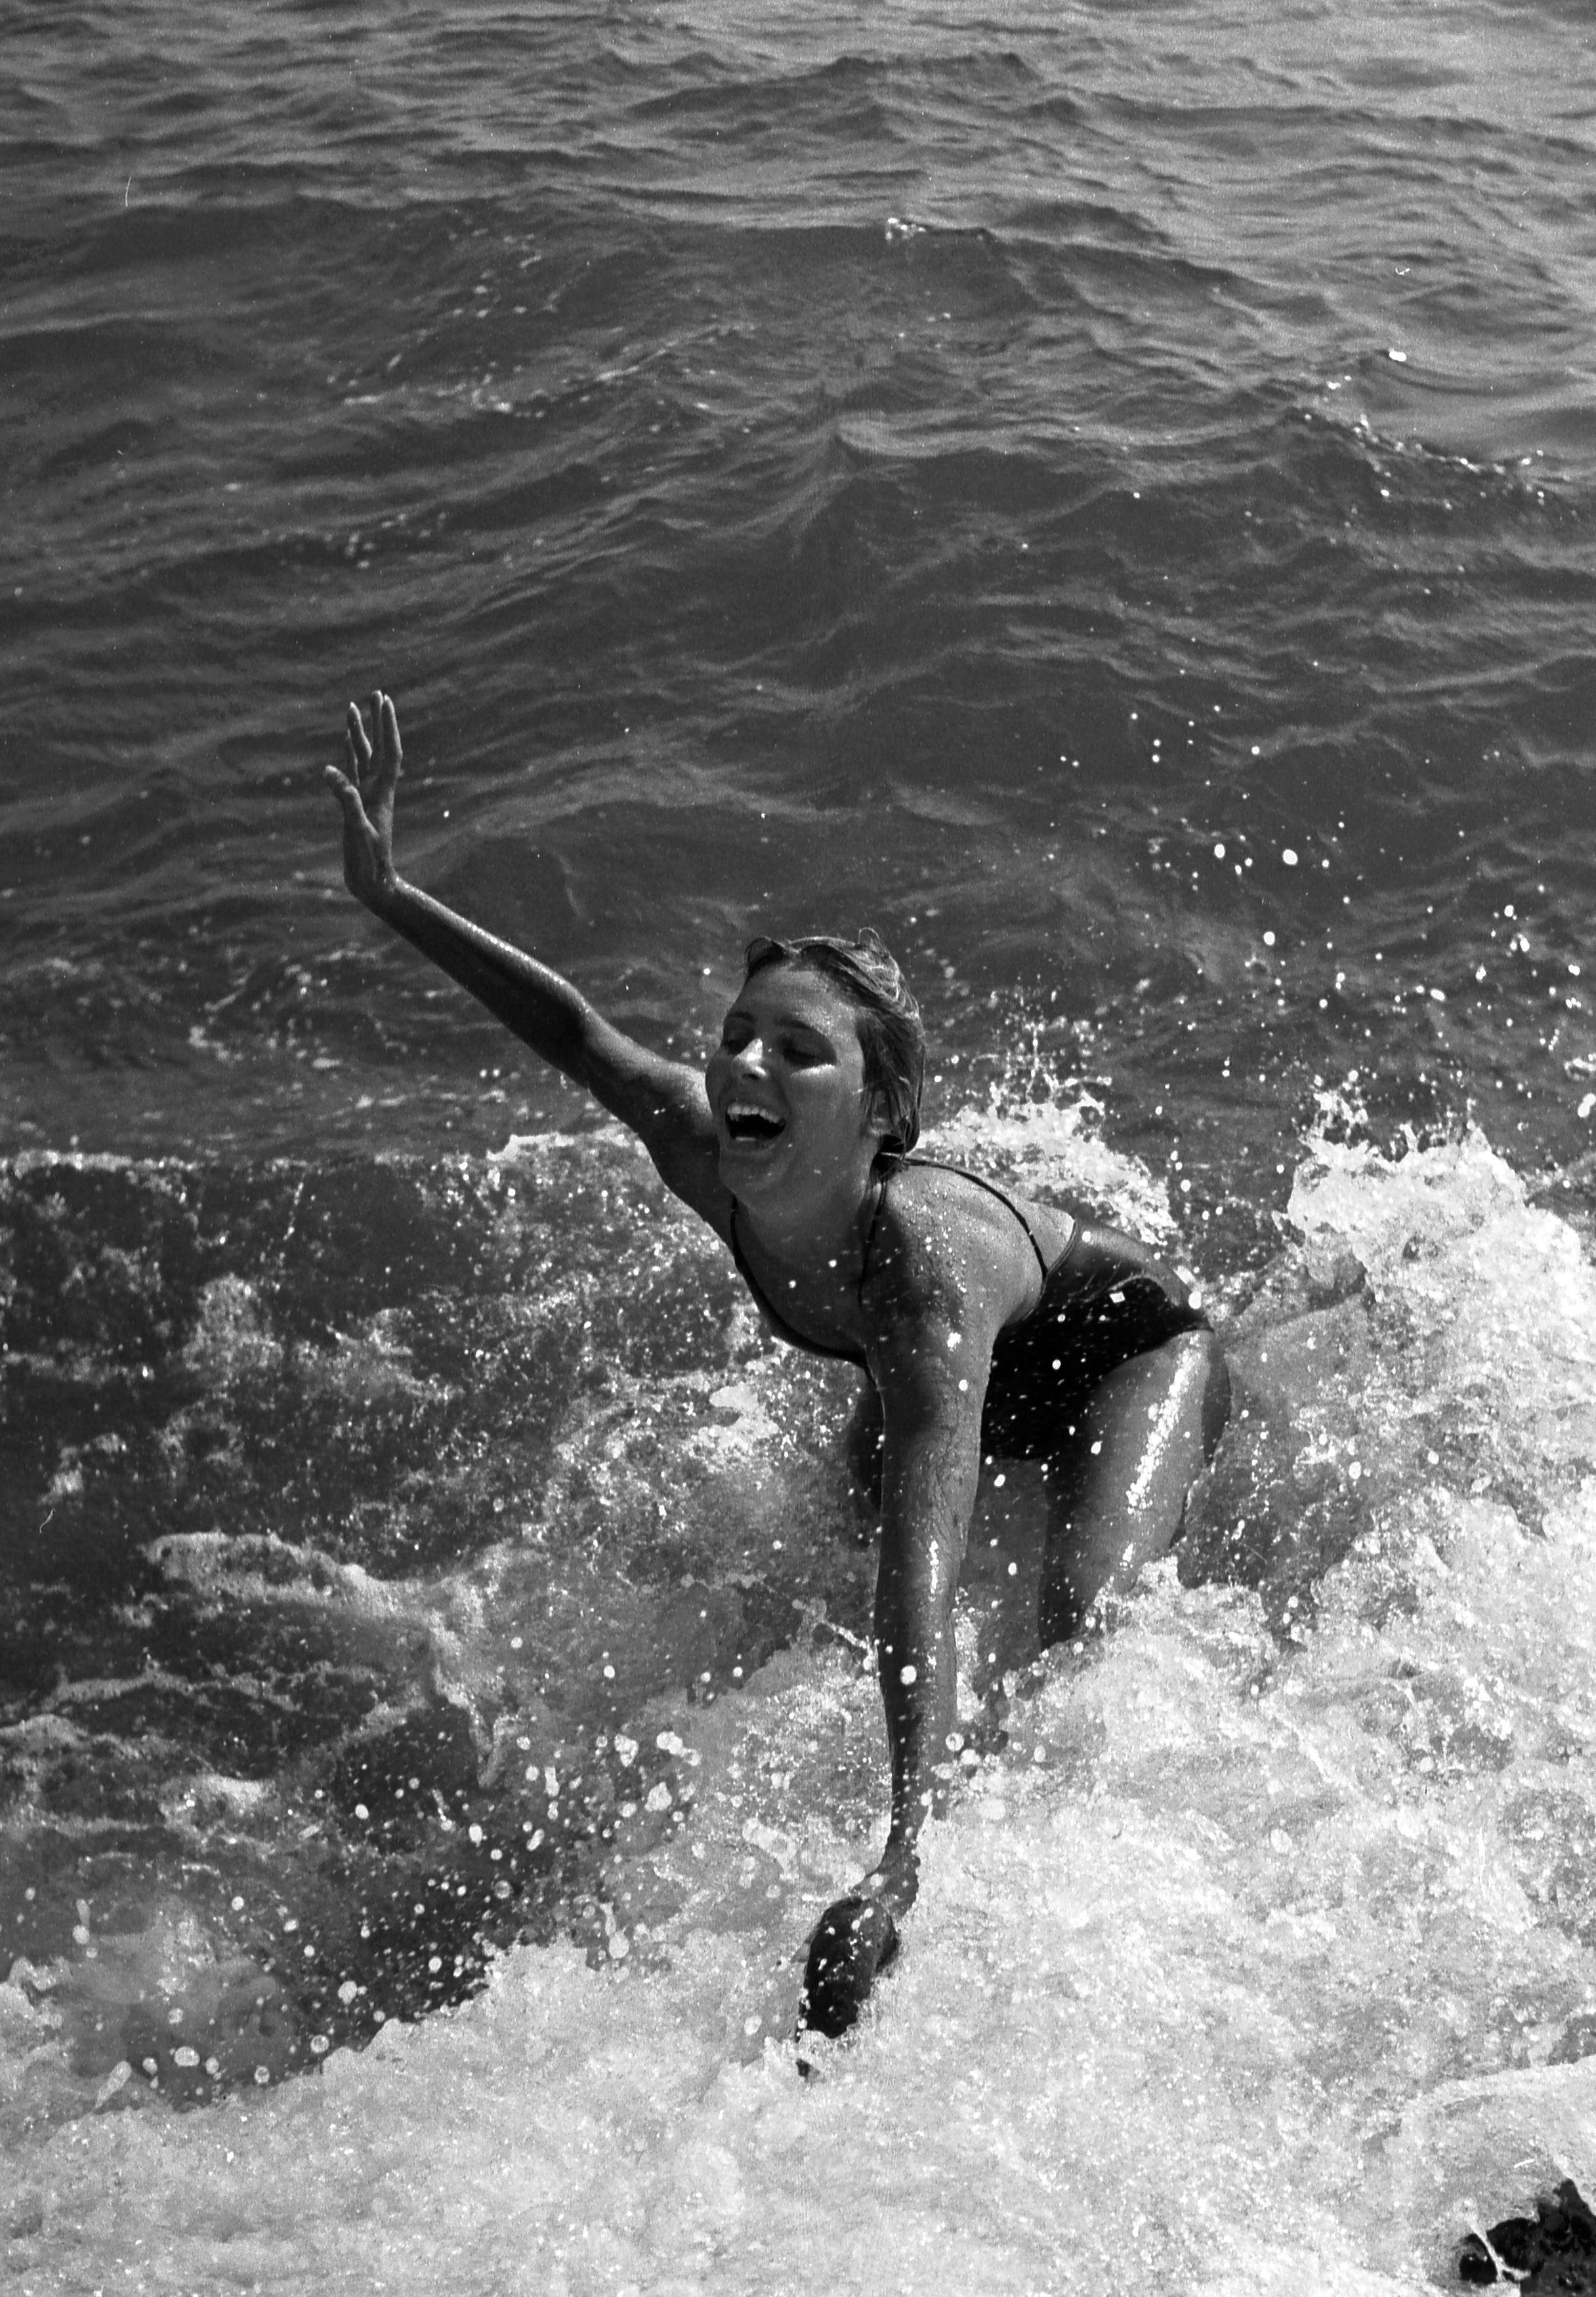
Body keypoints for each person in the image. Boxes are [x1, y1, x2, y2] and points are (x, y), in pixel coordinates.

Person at [325, 691, 1230, 2045]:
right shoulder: (705, 1150)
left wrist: (900, 1849)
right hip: (940, 1369)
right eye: (739, 1033)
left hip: (1119, 1358)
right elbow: (569, 1028)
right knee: (823, 1567)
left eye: (799, 1051)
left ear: (880, 1114)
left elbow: (922, 1569)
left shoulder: (923, 1273)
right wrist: (391, 895)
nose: (745, 1062)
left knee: (1075, 1625)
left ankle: (979, 1837)